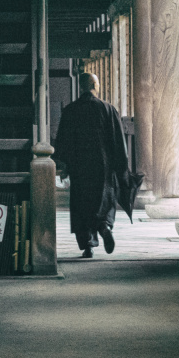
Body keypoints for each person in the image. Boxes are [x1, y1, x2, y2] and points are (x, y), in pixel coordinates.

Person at [53, 72, 129, 258]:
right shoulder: (108, 109)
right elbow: (118, 142)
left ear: (80, 87)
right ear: (96, 85)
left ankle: (88, 245)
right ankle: (104, 226)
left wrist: (63, 165)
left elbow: (62, 141)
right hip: (104, 166)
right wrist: (122, 168)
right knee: (104, 200)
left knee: (81, 204)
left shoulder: (71, 110)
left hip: (79, 166)